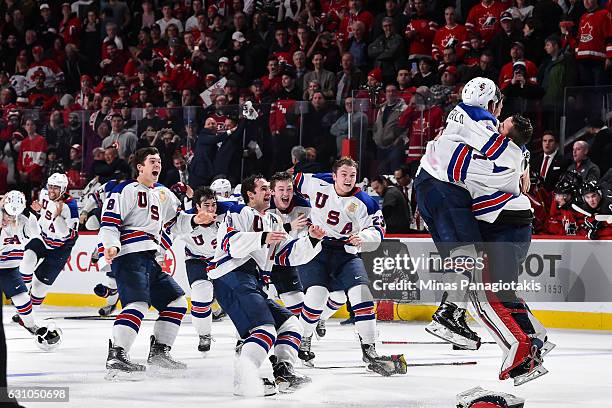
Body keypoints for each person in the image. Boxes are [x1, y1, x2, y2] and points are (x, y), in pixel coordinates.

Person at [415, 77, 523, 350]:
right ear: (489, 102)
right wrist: (521, 154)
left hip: (430, 187)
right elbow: (500, 152)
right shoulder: (478, 116)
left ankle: (453, 315)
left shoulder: (459, 118)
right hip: (444, 189)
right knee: (470, 255)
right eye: (497, 103)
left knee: (460, 259)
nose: (498, 111)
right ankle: (449, 315)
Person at [209, 174, 325, 396]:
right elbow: (230, 244)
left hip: (253, 283)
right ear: (250, 194)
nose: (269, 192)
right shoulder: (237, 213)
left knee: (292, 326)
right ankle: (244, 379)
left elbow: (287, 254)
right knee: (264, 330)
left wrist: (311, 240)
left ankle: (284, 373)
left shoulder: (274, 221)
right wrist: (262, 238)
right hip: (231, 277)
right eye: (263, 189)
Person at [294, 157, 407, 376]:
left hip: (346, 252)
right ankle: (304, 339)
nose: (348, 179)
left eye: (352, 175)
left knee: (363, 296)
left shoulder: (366, 201)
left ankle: (369, 350)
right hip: (316, 248)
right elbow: (290, 185)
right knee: (316, 296)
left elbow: (378, 230)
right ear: (334, 175)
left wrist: (363, 237)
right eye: (343, 174)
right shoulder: (316, 182)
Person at [100, 147, 188, 379]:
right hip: (129, 255)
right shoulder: (125, 190)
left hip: (150, 257)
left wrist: (196, 219)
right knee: (137, 304)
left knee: (176, 302)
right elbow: (109, 223)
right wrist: (111, 245)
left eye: (159, 161)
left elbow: (177, 222)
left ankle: (159, 352)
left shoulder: (163, 193)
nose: (157, 165)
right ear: (140, 167)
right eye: (152, 161)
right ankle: (117, 354)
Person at [165, 187, 233, 352]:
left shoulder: (229, 212)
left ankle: (243, 338)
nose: (211, 209)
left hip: (223, 260)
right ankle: (204, 334)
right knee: (201, 296)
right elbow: (165, 234)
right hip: (196, 260)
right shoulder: (185, 219)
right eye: (206, 205)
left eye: (213, 205)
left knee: (236, 298)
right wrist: (158, 255)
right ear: (197, 206)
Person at [18, 173, 79, 310]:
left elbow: (65, 235)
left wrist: (57, 218)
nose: (51, 190)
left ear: (63, 189)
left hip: (60, 247)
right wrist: (39, 212)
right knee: (27, 260)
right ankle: (22, 298)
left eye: (56, 188)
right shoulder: (44, 193)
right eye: (50, 186)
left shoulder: (71, 207)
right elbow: (43, 215)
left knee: (39, 289)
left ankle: (29, 312)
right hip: (42, 237)